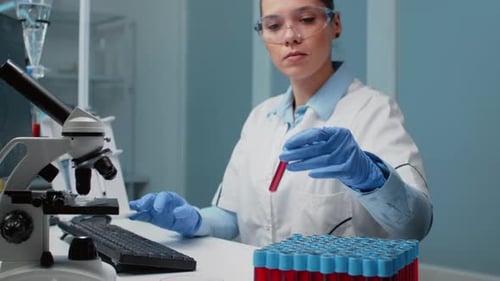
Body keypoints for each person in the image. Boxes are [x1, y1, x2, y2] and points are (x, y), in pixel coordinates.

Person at [129, 0, 433, 247]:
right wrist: (194, 220)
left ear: (335, 24)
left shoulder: (374, 110)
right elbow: (232, 215)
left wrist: (370, 177)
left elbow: (415, 225)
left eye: (307, 19)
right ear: (263, 35)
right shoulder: (260, 117)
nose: (290, 36)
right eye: (274, 25)